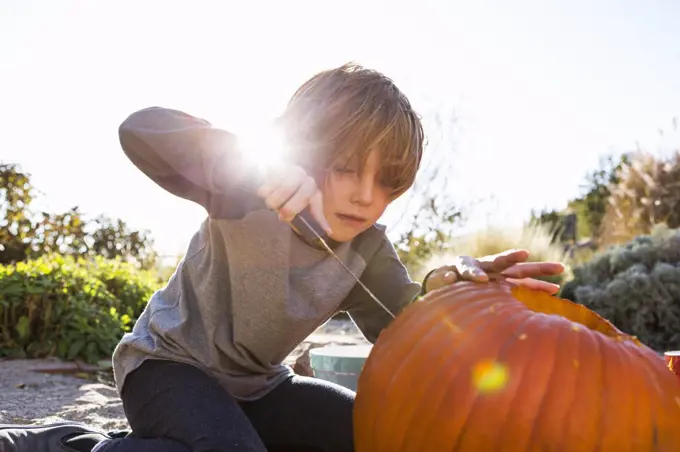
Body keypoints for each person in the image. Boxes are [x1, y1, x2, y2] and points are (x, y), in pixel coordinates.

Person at [0, 63, 564, 452]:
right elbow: (139, 132)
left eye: (388, 181)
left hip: (260, 385)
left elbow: (405, 327)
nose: (366, 195)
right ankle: (78, 445)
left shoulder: (366, 247)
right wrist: (248, 165)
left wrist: (450, 287)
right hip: (166, 369)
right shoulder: (246, 193)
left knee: (372, 435)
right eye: (345, 167)